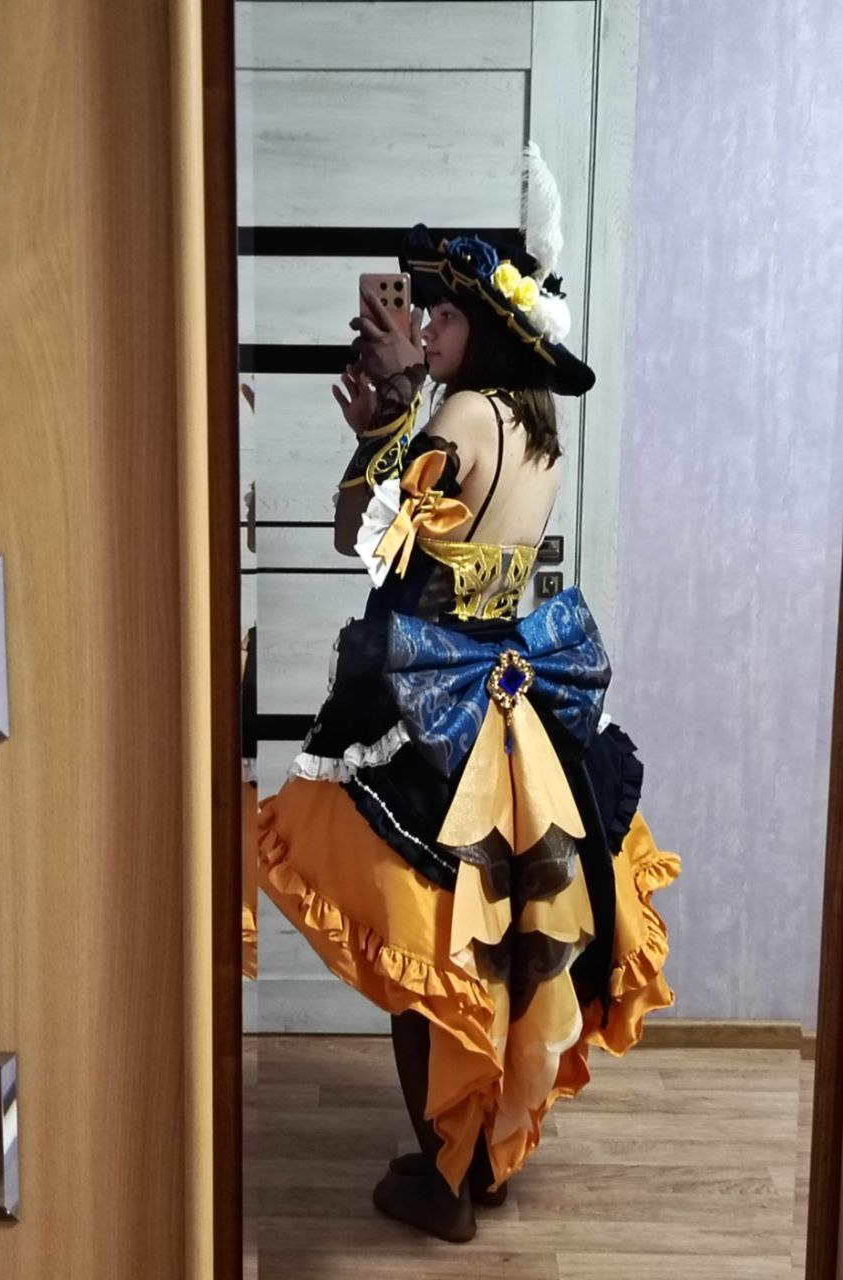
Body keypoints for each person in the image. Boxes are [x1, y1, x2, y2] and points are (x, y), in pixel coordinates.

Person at [257, 146, 680, 1244]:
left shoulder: (460, 419)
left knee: (428, 953)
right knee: (498, 950)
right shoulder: (533, 424)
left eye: (440, 314)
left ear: (484, 327)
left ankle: (444, 1184)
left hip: (437, 709)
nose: (425, 326)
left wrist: (389, 420)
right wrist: (400, 411)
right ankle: (478, 1158)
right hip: (510, 702)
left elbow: (370, 545)